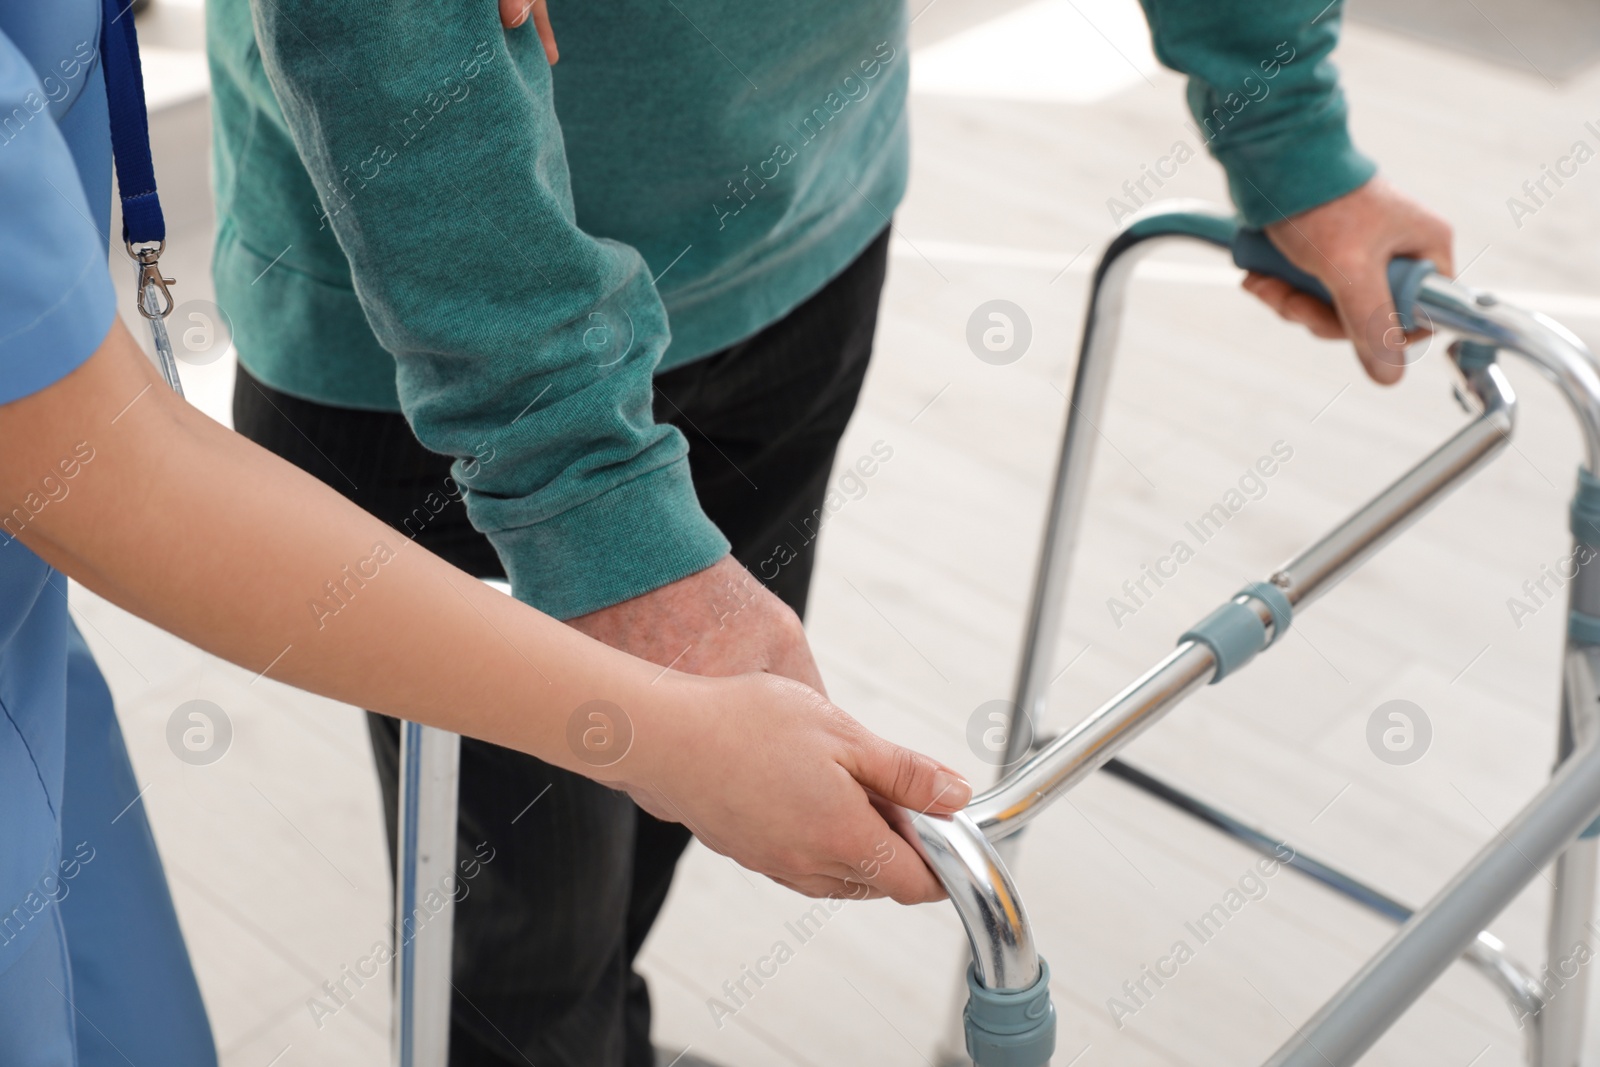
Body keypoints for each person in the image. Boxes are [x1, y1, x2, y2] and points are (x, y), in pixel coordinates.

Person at [206, 0, 1454, 1063]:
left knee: (658, 821)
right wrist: (582, 487)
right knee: (532, 911)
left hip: (799, 225)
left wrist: (1292, 134)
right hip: (445, 305)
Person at [0, 4, 975, 1064]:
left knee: (625, 878)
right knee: (534, 944)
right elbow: (101, 473)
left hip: (805, 215)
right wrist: (595, 520)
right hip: (432, 337)